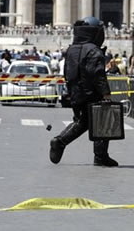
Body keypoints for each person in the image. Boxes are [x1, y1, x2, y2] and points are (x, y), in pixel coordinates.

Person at [49, 16, 118, 167]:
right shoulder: (93, 50)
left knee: (82, 121)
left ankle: (60, 141)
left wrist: (71, 91)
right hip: (93, 93)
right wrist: (105, 93)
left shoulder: (72, 49)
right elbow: (98, 74)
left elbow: (67, 72)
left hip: (76, 93)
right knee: (102, 122)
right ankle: (100, 156)